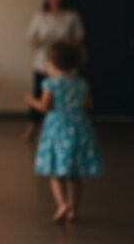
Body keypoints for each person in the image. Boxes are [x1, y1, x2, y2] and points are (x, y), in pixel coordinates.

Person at [25, 41, 103, 223]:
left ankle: (62, 204)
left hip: (57, 131)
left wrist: (30, 100)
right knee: (74, 174)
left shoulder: (50, 84)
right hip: (79, 128)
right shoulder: (81, 83)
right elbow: (88, 105)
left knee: (56, 173)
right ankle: (73, 210)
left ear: (52, 63)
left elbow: (44, 107)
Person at [25, 0, 85, 142]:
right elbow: (31, 40)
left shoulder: (71, 16)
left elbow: (79, 38)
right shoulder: (40, 16)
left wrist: (66, 43)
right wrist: (42, 39)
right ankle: (33, 128)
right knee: (41, 93)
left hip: (64, 62)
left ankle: (66, 125)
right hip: (43, 62)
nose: (55, 0)